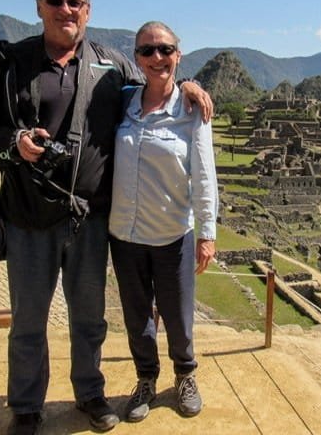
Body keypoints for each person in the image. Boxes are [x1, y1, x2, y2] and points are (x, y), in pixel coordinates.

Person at [0, 0, 212, 435]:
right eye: (55, 1)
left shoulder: (112, 65)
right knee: (29, 320)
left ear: (88, 10)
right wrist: (12, 144)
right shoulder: (12, 64)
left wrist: (189, 84)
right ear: (39, 7)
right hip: (28, 216)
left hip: (91, 219)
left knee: (89, 318)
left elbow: (157, 79)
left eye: (75, 2)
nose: (65, 9)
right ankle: (27, 406)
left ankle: (90, 394)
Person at [108, 21, 218, 423]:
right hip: (124, 233)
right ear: (137, 58)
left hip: (173, 233)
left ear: (178, 54)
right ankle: (146, 380)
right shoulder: (121, 101)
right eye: (147, 51)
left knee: (178, 314)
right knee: (137, 315)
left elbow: (205, 176)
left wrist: (207, 233)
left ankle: (185, 375)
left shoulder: (192, 111)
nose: (157, 58)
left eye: (165, 49)